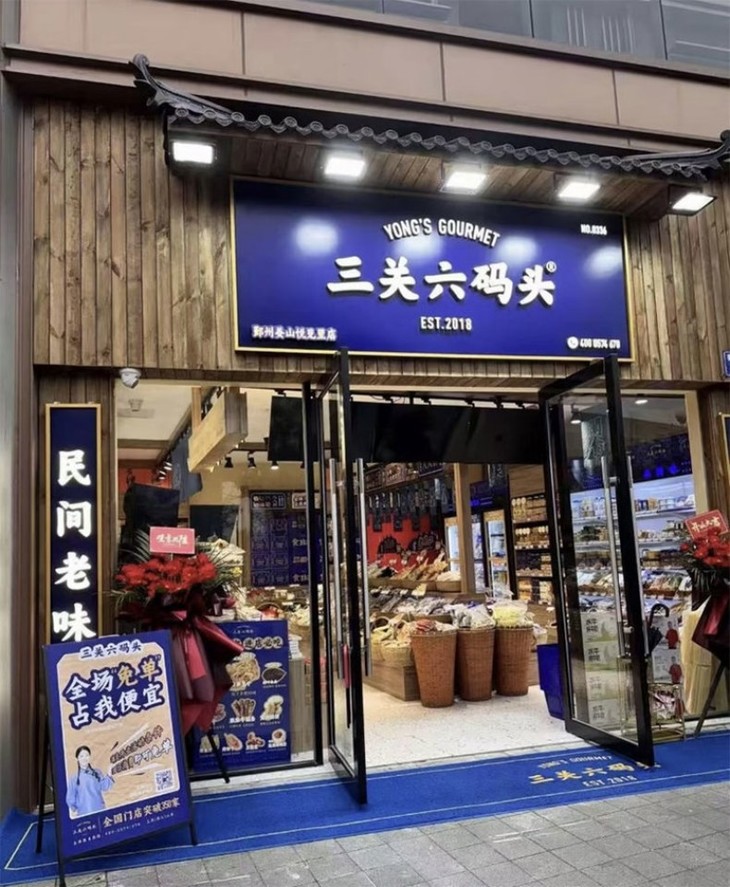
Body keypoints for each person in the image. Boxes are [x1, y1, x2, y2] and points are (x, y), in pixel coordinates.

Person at [66, 745, 114, 816]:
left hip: (99, 809)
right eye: (81, 756)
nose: (84, 758)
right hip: (84, 812)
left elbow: (104, 786)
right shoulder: (74, 778)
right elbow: (70, 798)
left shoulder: (97, 772)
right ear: (77, 758)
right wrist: (76, 808)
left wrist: (109, 774)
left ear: (89, 757)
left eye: (87, 755)